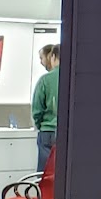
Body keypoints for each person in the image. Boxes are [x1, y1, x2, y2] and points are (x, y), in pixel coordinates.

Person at [31, 43, 60, 172]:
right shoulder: (74, 78)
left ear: (53, 57)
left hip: (48, 132)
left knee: (46, 175)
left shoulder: (45, 80)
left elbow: (37, 110)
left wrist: (40, 125)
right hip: (69, 133)